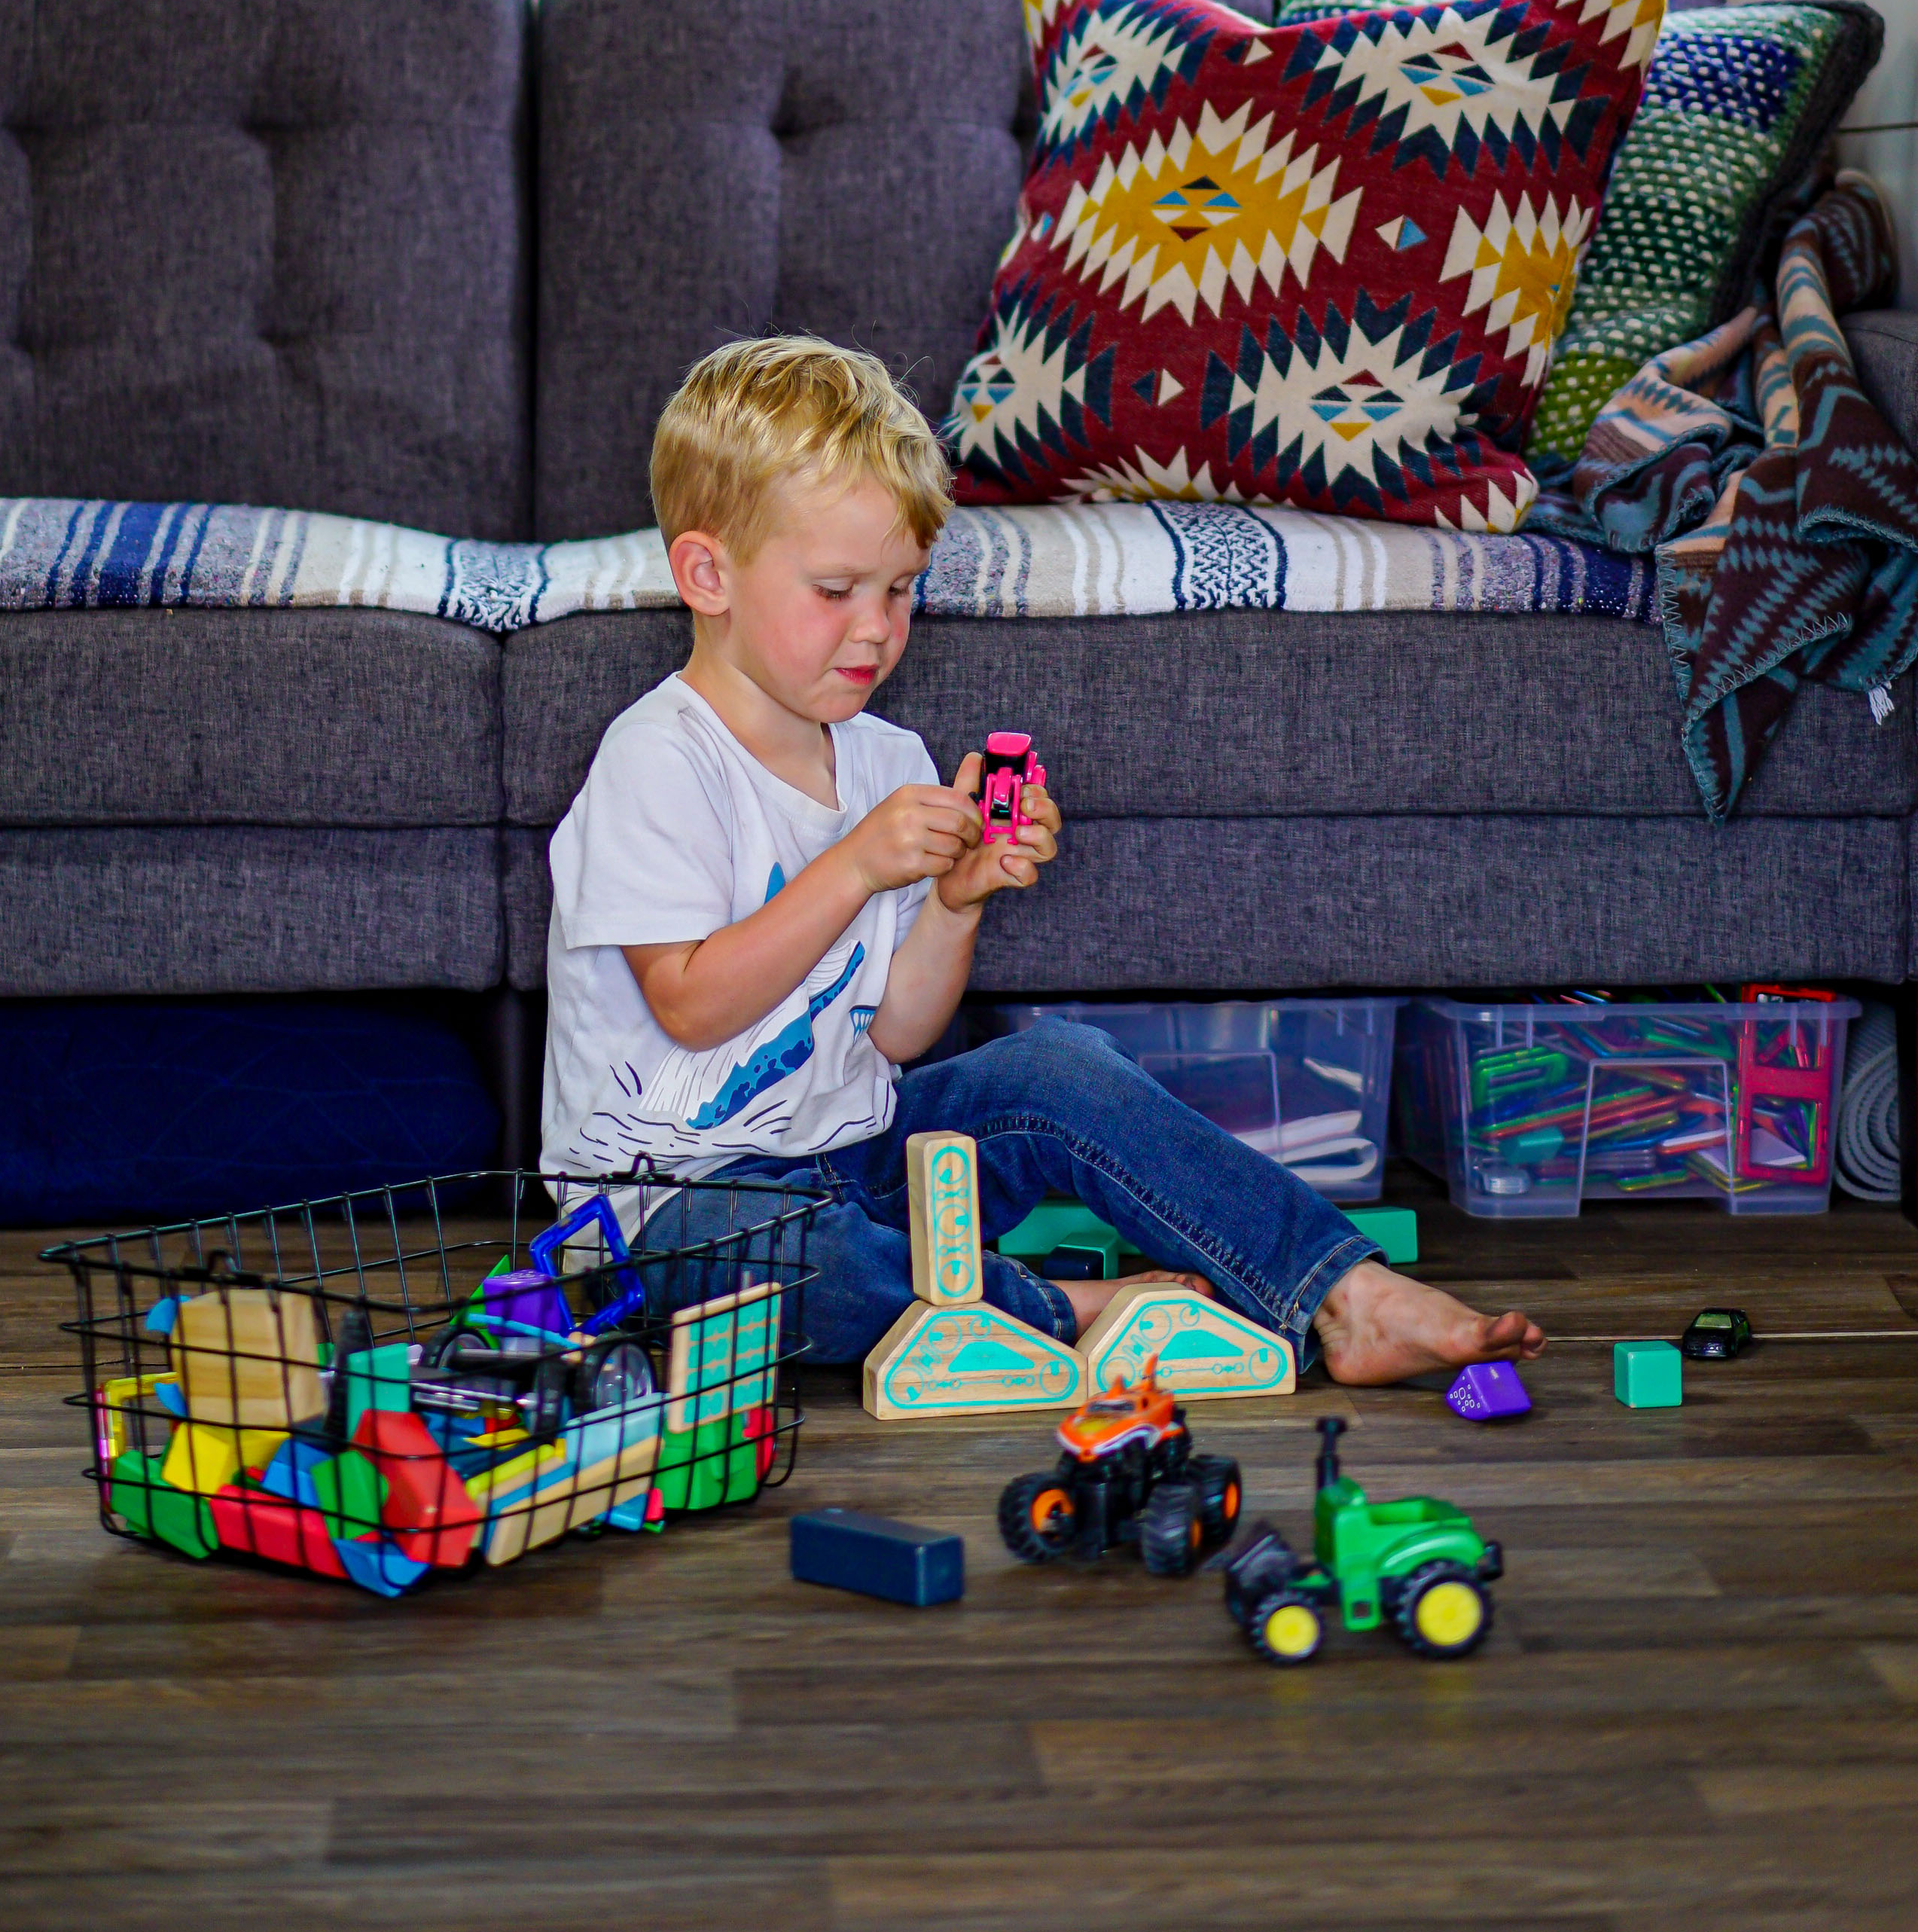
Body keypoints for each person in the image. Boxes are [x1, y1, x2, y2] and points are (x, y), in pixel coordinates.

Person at [539, 331, 1546, 1386]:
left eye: (900, 589)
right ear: (708, 575)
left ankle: (1341, 1294)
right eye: (836, 590)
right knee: (791, 1263)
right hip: (668, 1213)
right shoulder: (659, 758)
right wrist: (854, 869)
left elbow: (896, 1034)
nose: (877, 629)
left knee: (1058, 1068)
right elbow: (691, 1005)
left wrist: (955, 904)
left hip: (848, 1158)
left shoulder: (887, 760)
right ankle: (1051, 1308)